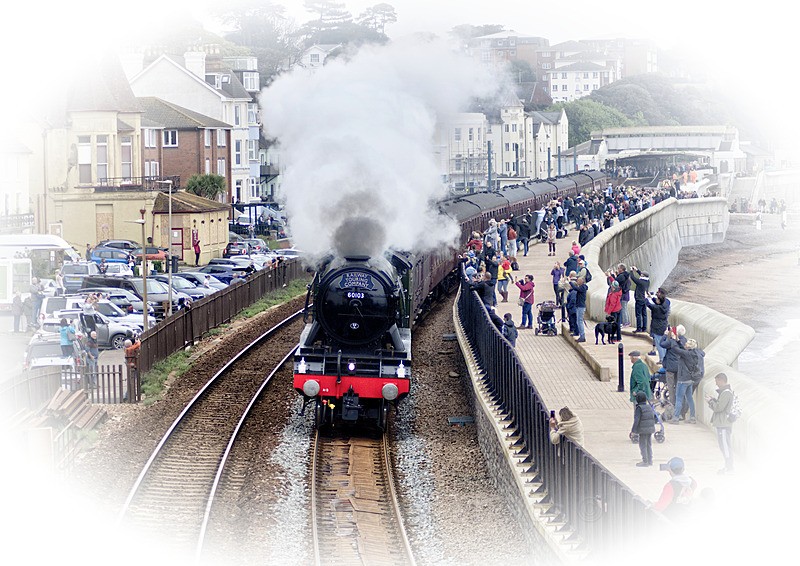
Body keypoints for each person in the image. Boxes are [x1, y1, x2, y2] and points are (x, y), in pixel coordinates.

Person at [668, 338, 703, 424]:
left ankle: (676, 417)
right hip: (690, 379)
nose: (685, 344)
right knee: (689, 399)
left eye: (686, 343)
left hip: (683, 379)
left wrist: (672, 339)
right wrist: (678, 341)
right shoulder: (695, 353)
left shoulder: (686, 354)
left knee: (679, 398)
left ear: (688, 346)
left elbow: (676, 349)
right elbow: (681, 349)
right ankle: (692, 417)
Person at [706, 372, 735, 474]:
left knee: (725, 446)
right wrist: (713, 400)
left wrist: (710, 401)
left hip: (723, 424)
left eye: (717, 381)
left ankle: (729, 468)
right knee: (724, 446)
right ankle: (728, 467)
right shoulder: (725, 392)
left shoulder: (726, 393)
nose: (716, 383)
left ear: (722, 380)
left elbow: (719, 407)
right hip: (723, 423)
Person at [632, 390, 655, 467]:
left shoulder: (639, 408)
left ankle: (645, 461)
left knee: (643, 445)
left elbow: (636, 420)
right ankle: (650, 460)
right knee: (648, 444)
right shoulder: (649, 407)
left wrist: (633, 431)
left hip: (643, 430)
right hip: (650, 429)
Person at [646, 288, 670, 361]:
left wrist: (646, 298)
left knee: (659, 344)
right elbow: (657, 302)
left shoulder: (656, 308)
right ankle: (665, 359)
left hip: (656, 327)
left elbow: (648, 304)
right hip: (664, 325)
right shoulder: (666, 304)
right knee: (664, 343)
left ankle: (662, 359)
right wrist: (652, 297)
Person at [629, 266, 650, 333]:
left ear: (643, 275)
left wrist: (631, 271)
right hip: (644, 299)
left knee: (638, 314)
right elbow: (641, 275)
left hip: (639, 299)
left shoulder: (640, 282)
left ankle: (639, 328)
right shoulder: (647, 281)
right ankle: (644, 328)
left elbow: (632, 278)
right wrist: (637, 270)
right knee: (644, 314)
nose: (640, 274)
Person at [569, 276, 588, 342]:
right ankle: (581, 335)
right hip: (579, 306)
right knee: (578, 321)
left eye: (578, 280)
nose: (577, 281)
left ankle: (582, 336)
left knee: (579, 322)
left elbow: (575, 288)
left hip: (581, 307)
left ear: (582, 281)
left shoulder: (582, 287)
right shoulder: (582, 287)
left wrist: (570, 282)